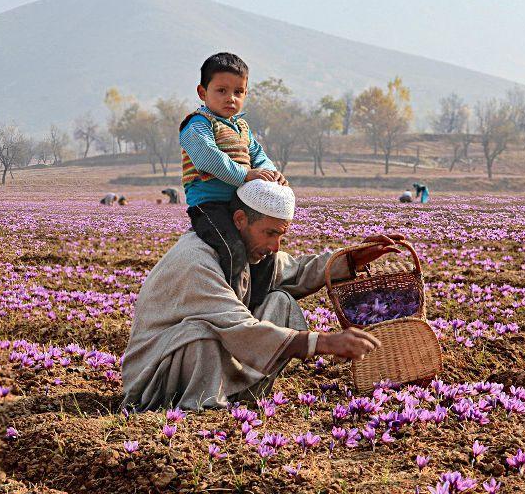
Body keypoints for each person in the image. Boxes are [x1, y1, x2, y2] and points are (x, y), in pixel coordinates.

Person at [121, 180, 400, 410]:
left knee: (281, 302)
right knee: (201, 334)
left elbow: (298, 271)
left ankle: (240, 396)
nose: (275, 246)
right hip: (155, 374)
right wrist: (321, 342)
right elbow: (239, 326)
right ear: (240, 219)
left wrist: (352, 259)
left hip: (205, 360)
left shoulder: (246, 252)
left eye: (280, 235)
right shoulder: (195, 261)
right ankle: (201, 406)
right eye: (270, 233)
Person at [180, 52, 287, 292]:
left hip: (240, 204)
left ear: (246, 94)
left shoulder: (241, 127)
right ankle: (233, 306)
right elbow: (208, 157)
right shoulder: (197, 124)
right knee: (233, 249)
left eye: (238, 92)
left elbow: (258, 155)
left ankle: (258, 301)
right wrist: (245, 175)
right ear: (202, 92)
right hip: (210, 206)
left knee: (265, 250)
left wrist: (271, 173)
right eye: (222, 91)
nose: (231, 98)